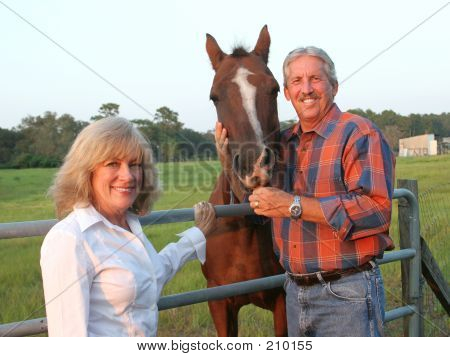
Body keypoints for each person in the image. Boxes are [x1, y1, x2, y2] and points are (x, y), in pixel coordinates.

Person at [216, 47, 395, 337]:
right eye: (297, 81)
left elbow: (376, 210)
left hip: (346, 292)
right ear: (287, 93)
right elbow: (260, 204)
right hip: (294, 295)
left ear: (334, 86)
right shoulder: (283, 144)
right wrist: (228, 161)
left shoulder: (359, 134)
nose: (307, 89)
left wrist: (293, 205)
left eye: (315, 79)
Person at [40, 117, 216, 337]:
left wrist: (196, 235)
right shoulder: (70, 239)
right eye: (112, 163)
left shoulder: (129, 225)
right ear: (87, 171)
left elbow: (154, 274)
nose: (128, 175)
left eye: (134, 164)